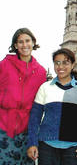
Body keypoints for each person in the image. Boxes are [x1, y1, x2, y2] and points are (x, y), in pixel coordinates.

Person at [27, 48, 77, 165]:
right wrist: (32, 143)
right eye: (57, 62)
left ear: (73, 65)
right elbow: (35, 118)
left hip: (74, 148)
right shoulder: (45, 87)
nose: (60, 66)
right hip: (47, 148)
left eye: (65, 62)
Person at [0, 28, 46, 164]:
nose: (24, 45)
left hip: (27, 128)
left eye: (27, 41)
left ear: (33, 43)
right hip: (3, 125)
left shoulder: (41, 72)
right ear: (15, 45)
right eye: (20, 42)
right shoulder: (4, 65)